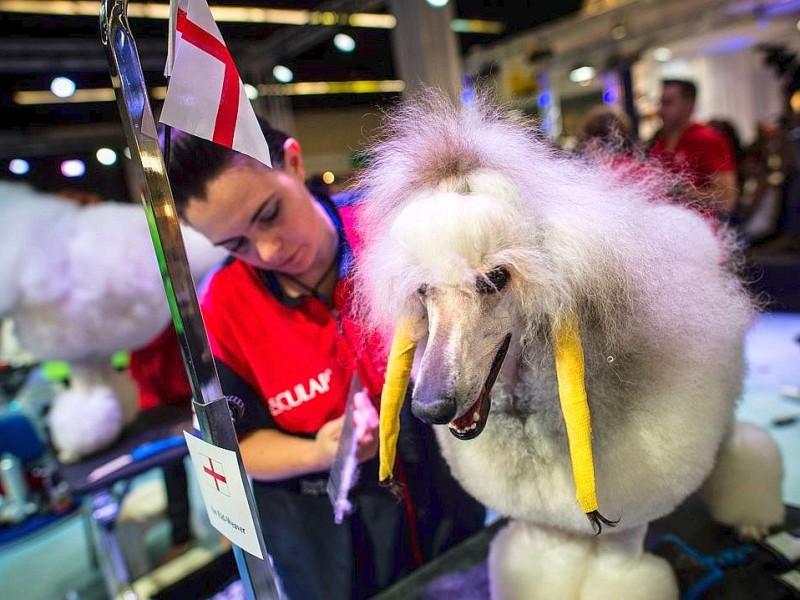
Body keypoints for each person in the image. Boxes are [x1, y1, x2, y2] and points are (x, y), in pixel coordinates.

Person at [164, 120, 486, 600]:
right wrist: (318, 451)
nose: (269, 250)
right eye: (236, 245)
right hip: (330, 549)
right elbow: (235, 447)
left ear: (293, 162)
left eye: (269, 214)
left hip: (450, 506)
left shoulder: (395, 237)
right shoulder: (220, 312)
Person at [649, 79, 738, 217]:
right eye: (660, 102)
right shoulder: (659, 141)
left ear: (688, 105)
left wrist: (678, 192)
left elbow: (727, 198)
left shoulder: (707, 140)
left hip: (699, 230)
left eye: (668, 103)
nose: (660, 109)